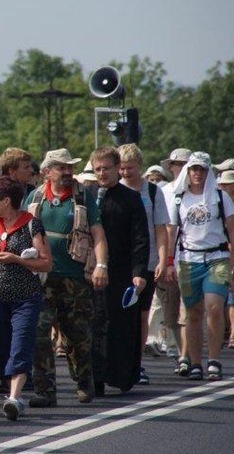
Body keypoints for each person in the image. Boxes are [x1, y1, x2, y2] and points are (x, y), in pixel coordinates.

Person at [24, 148, 109, 407]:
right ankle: (45, 390)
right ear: (47, 172)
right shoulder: (35, 197)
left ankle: (84, 381)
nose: (67, 172)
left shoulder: (83, 198)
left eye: (69, 167)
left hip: (75, 279)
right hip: (42, 278)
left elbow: (98, 235)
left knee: (78, 335)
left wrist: (102, 265)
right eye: (61, 167)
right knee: (39, 332)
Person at [0, 176, 51, 420]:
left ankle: (15, 398)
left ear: (7, 200)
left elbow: (46, 263)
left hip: (25, 298)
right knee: (1, 350)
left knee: (21, 344)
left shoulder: (32, 224)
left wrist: (18, 260)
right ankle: (7, 383)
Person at [167, 152, 234, 380]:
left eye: (202, 170)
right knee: (193, 312)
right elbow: (171, 231)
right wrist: (167, 262)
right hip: (188, 260)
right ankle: (195, 362)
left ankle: (213, 360)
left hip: (217, 257)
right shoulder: (179, 198)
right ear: (188, 171)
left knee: (214, 307)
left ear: (209, 172)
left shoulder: (220, 197)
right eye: (194, 169)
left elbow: (232, 230)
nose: (197, 173)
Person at [90, 146, 149, 394]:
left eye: (106, 168)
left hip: (122, 271)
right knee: (94, 325)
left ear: (117, 169)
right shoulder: (87, 195)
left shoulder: (131, 198)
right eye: (98, 169)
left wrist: (139, 272)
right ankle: (95, 378)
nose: (102, 173)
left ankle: (122, 376)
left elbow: (140, 239)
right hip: (90, 270)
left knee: (121, 325)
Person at [118, 144, 169, 385]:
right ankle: (120, 363)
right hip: (120, 262)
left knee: (141, 315)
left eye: (130, 168)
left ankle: (137, 365)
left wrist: (162, 258)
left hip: (146, 262)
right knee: (120, 314)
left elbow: (160, 229)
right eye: (122, 168)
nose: (125, 172)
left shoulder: (152, 192)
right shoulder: (112, 190)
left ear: (140, 166)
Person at [160, 148, 192, 374]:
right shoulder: (163, 191)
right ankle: (182, 351)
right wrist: (165, 259)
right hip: (170, 257)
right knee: (170, 312)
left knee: (190, 310)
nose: (181, 168)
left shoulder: (204, 192)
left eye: (186, 165)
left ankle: (186, 356)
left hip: (193, 258)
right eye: (177, 164)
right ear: (171, 167)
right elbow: (163, 228)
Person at [218, 170, 234, 349]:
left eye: (227, 183)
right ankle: (228, 333)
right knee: (227, 296)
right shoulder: (219, 199)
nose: (222, 186)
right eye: (221, 183)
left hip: (228, 251)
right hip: (222, 252)